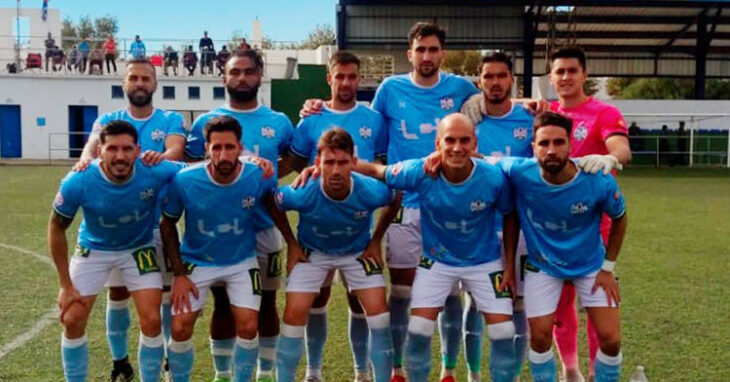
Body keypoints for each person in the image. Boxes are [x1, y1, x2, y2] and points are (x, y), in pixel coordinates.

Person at [296, 23, 479, 382]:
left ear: (442, 52)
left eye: (433, 49)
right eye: (420, 50)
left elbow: (495, 100)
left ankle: (449, 370)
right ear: (409, 53)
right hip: (403, 202)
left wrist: (529, 102)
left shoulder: (461, 87)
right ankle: (395, 369)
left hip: (449, 201)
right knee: (400, 290)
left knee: (452, 289)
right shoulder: (389, 90)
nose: (427, 56)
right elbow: (372, 145)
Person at [351, 113, 520, 382]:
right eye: (450, 140)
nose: (457, 147)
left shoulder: (494, 178)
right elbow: (377, 171)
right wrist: (328, 167)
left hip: (484, 262)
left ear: (474, 143)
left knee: (504, 334)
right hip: (437, 262)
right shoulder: (420, 171)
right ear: (437, 143)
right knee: (417, 330)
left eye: (464, 140)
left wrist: (509, 265)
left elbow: (510, 215)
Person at [185, 49, 294, 382]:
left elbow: (292, 160)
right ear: (224, 78)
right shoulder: (207, 122)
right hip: (218, 231)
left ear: (260, 75)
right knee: (222, 303)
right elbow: (191, 168)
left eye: (249, 72)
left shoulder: (278, 122)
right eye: (235, 72)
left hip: (264, 227)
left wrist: (268, 175)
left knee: (267, 302)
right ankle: (223, 373)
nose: (242, 78)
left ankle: (264, 373)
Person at [76, 58, 187, 381]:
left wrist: (161, 158)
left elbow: (176, 150)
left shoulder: (169, 119)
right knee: (118, 293)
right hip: (118, 225)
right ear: (124, 84)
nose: (139, 83)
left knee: (163, 294)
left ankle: (165, 358)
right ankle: (120, 361)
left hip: (156, 224)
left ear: (155, 84)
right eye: (134, 78)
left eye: (145, 78)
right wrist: (84, 162)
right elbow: (91, 148)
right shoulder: (108, 119)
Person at [49, 121, 183, 382]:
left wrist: (252, 162)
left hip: (138, 249)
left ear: (138, 150)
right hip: (93, 250)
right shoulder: (79, 180)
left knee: (152, 320)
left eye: (127, 149)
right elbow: (55, 228)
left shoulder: (153, 169)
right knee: (72, 318)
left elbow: (199, 171)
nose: (120, 156)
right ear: (100, 150)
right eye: (112, 149)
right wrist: (65, 284)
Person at [499, 111, 627, 382]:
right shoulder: (519, 171)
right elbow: (478, 161)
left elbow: (620, 218)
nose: (551, 150)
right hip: (543, 265)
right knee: (541, 335)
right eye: (544, 143)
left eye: (559, 143)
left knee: (611, 339)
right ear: (533, 147)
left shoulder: (596, 177)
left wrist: (608, 267)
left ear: (571, 145)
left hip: (591, 264)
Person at [283, 51, 388, 382]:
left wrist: (377, 238)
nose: (346, 82)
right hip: (318, 228)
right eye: (339, 76)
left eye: (352, 76)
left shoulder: (373, 119)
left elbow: (383, 171)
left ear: (359, 79)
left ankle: (362, 373)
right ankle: (313, 371)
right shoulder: (310, 118)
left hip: (359, 226)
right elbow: (298, 162)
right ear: (329, 78)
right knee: (319, 296)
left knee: (361, 304)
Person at [274, 128, 398, 382]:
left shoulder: (370, 190)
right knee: (294, 312)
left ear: (354, 162)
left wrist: (376, 240)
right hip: (313, 252)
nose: (336, 170)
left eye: (343, 162)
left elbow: (395, 195)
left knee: (380, 315)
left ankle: (370, 375)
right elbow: (272, 202)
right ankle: (308, 374)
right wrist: (291, 243)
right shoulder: (303, 190)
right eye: (329, 162)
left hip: (357, 252)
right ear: (317, 163)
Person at [161, 116, 277, 382]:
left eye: (229, 147)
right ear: (206, 149)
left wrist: (292, 244)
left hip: (241, 261)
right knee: (179, 326)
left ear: (240, 148)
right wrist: (179, 274)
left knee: (248, 325)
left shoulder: (257, 174)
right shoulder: (185, 180)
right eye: (216, 148)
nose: (223, 155)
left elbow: (273, 205)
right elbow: (167, 223)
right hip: (196, 261)